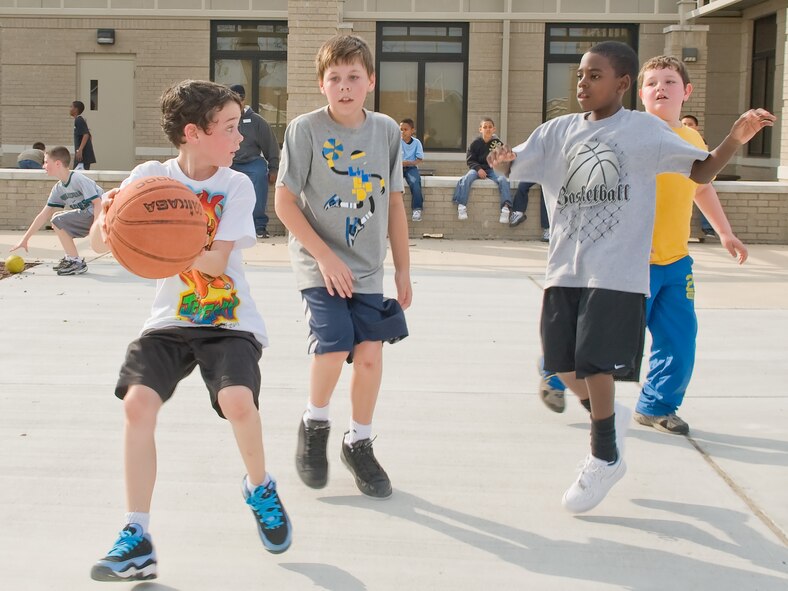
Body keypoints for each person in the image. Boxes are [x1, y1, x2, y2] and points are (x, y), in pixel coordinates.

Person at [489, 40, 773, 514]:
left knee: (598, 363)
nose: (583, 83)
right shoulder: (556, 131)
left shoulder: (644, 131)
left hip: (619, 270)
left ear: (622, 83)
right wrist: (500, 158)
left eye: (595, 75)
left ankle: (604, 455)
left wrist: (735, 139)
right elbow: (514, 161)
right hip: (565, 266)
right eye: (580, 75)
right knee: (562, 365)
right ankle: (609, 419)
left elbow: (701, 172)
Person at [88, 80, 292, 582]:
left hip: (228, 321)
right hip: (169, 320)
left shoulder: (237, 184)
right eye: (228, 127)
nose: (239, 138)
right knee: (137, 404)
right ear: (193, 133)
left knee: (237, 401)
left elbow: (219, 260)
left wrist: (162, 238)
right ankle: (136, 534)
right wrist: (111, 218)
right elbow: (97, 244)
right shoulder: (150, 177)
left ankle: (260, 486)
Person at [274, 34, 411, 499]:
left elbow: (393, 202)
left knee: (370, 355)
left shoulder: (387, 131)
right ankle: (315, 424)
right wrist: (325, 256)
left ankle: (359, 442)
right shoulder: (305, 129)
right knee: (333, 347)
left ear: (370, 81)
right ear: (322, 84)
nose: (345, 86)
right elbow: (285, 202)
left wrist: (403, 270)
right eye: (336, 78)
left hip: (368, 266)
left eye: (354, 77)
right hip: (319, 260)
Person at [635, 56, 748, 434]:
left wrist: (725, 232)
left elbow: (701, 186)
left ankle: (656, 406)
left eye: (669, 81)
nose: (660, 88)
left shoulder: (692, 138)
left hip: (676, 262)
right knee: (607, 343)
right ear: (640, 93)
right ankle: (556, 369)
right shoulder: (630, 134)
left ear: (686, 92)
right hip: (632, 264)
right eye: (652, 83)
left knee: (680, 340)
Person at [10, 145, 101, 276]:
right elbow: (43, 215)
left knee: (58, 219)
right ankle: (73, 259)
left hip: (100, 214)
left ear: (57, 163)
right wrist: (25, 239)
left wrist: (96, 230)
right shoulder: (58, 188)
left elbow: (98, 203)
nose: (43, 166)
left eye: (46, 162)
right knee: (57, 219)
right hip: (88, 215)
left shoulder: (77, 179)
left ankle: (75, 261)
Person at [229, 83, 280, 239]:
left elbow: (270, 145)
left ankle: (259, 225)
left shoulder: (257, 121)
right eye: (233, 99)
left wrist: (274, 168)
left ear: (244, 99)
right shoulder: (224, 119)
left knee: (259, 173)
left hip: (251, 161)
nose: (238, 102)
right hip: (229, 161)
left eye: (240, 99)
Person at [452, 117, 512, 222]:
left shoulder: (497, 144)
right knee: (467, 178)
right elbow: (470, 160)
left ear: (494, 129)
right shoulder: (475, 143)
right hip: (477, 168)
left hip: (492, 169)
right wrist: (479, 169)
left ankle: (505, 209)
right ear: (480, 129)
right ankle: (461, 206)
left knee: (503, 179)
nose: (487, 129)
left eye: (490, 127)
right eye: (485, 127)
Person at [682, 114, 716, 239]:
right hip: (681, 175)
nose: (687, 126)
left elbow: (705, 158)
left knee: (705, 195)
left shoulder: (701, 141)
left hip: (697, 175)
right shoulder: (676, 137)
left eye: (690, 124)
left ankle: (708, 228)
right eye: (684, 124)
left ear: (696, 126)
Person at [400, 118, 425, 222]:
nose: (402, 132)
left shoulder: (416, 143)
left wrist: (408, 163)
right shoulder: (395, 141)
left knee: (415, 183)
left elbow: (419, 159)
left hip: (411, 168)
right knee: (391, 185)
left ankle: (417, 209)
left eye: (405, 129)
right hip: (398, 168)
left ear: (412, 130)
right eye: (401, 129)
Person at [70, 100, 96, 170]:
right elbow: (89, 136)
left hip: (82, 158)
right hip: (82, 156)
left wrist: (80, 150)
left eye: (71, 107)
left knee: (78, 178)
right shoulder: (80, 120)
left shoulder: (79, 120)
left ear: (76, 109)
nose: (70, 109)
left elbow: (86, 135)